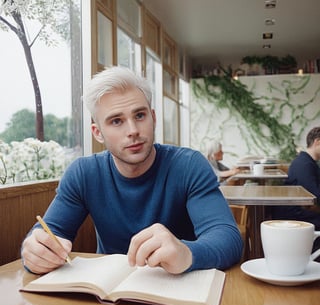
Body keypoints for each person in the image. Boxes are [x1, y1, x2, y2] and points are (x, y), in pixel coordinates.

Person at [21, 66, 243, 275]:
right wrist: (34, 253)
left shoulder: (189, 165)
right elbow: (47, 233)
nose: (133, 131)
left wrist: (187, 253)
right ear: (97, 133)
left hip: (179, 292)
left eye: (139, 115)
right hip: (108, 301)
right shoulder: (83, 173)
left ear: (153, 118)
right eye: (116, 121)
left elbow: (228, 239)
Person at [271, 127, 320, 255]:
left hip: (299, 211)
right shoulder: (305, 164)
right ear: (318, 142)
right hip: (295, 215)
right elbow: (315, 197)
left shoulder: (306, 162)